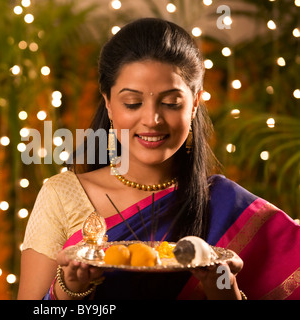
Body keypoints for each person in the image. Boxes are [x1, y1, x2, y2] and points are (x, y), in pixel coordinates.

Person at [17, 18, 300, 300]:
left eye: (171, 103)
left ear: (194, 104)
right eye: (132, 103)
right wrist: (69, 290)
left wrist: (223, 288)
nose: (152, 119)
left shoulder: (227, 205)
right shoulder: (62, 196)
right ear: (108, 103)